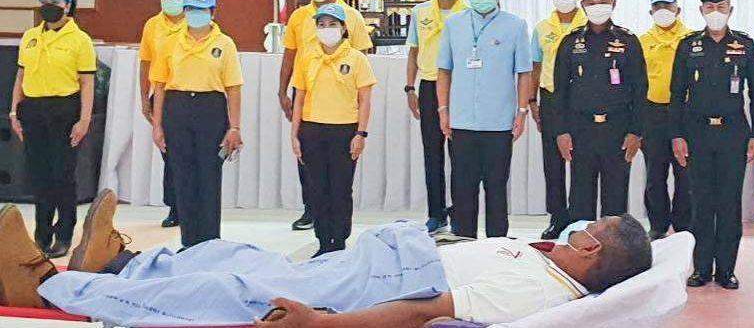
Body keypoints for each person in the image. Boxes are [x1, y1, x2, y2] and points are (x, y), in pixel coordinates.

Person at [0, 191, 654, 327]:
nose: (577, 228)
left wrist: (321, 323)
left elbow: (424, 310)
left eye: (588, 228)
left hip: (382, 284)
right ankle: (115, 264)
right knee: (234, 251)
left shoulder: (542, 292)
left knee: (232, 287)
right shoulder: (546, 261)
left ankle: (51, 285)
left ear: (592, 247)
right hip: (388, 259)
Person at [669, 0, 754, 290]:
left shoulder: (745, 45)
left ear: (730, 10)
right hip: (696, 132)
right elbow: (676, 94)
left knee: (728, 202)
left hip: (733, 132)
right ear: (701, 10)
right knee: (700, 202)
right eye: (710, 8)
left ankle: (726, 269)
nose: (715, 12)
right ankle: (700, 268)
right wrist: (677, 135)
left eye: (721, 7)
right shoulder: (688, 46)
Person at [437, 0, 532, 238]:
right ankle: (464, 243)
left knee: (496, 189)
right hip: (462, 122)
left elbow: (524, 73)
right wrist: (443, 110)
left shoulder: (515, 26)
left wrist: (521, 111)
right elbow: (444, 70)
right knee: (463, 190)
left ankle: (496, 246)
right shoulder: (454, 24)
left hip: (499, 123)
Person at [280, 0, 373, 232]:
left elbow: (362, 61)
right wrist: (282, 90)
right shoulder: (300, 16)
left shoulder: (352, 17)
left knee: (340, 179)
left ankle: (338, 231)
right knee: (311, 166)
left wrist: (360, 125)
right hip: (308, 96)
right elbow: (290, 55)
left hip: (342, 102)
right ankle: (312, 212)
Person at [149, 0, 243, 248]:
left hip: (210, 109)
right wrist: (157, 125)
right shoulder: (170, 42)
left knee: (209, 176)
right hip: (177, 107)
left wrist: (234, 127)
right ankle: (189, 241)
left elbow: (233, 88)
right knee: (183, 177)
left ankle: (210, 241)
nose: (194, 14)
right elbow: (159, 85)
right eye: (190, 9)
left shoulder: (224, 44)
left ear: (212, 12)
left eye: (200, 10)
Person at [8, 0, 95, 258]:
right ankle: (41, 234)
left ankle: (64, 233)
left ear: (67, 6)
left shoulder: (80, 40)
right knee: (40, 175)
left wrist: (84, 120)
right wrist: (14, 111)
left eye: (54, 3)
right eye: (44, 2)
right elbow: (21, 76)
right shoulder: (31, 36)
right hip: (33, 110)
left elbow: (87, 83)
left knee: (63, 175)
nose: (48, 7)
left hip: (64, 110)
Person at [552, 0, 646, 225]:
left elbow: (640, 90)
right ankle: (581, 245)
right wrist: (561, 131)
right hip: (580, 129)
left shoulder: (628, 41)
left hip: (617, 129)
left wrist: (636, 132)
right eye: (592, 3)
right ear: (583, 6)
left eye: (603, 2)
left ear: (614, 4)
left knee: (615, 200)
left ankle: (613, 248)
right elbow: (559, 91)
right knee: (580, 198)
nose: (598, 8)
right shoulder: (571, 42)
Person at [291, 4, 377, 257]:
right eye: (321, 25)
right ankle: (323, 240)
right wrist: (294, 134)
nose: (326, 29)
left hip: (344, 130)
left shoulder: (357, 59)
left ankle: (338, 240)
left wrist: (361, 133)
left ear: (343, 28)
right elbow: (299, 98)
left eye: (332, 24)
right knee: (317, 188)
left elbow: (365, 100)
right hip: (312, 129)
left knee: (340, 187)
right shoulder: (307, 57)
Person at [405, 0, 467, 234]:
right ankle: (436, 213)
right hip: (429, 85)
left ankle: (459, 211)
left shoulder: (468, 12)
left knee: (459, 153)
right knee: (432, 152)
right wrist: (410, 87)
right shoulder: (420, 12)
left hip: (459, 86)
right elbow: (413, 51)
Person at [528, 0, 587, 239]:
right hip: (551, 98)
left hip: (581, 100)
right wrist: (532, 100)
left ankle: (578, 217)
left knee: (581, 160)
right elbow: (535, 66)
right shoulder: (542, 28)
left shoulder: (589, 24)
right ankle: (557, 216)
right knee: (552, 161)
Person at [137, 0, 190, 228]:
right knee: (169, 153)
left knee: (190, 153)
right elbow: (145, 63)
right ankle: (174, 206)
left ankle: (191, 204)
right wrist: (143, 98)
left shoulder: (194, 22)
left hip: (189, 93)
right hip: (162, 94)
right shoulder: (152, 25)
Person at [640, 0, 692, 241]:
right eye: (658, 7)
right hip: (653, 113)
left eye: (668, 6)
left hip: (685, 112)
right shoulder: (642, 41)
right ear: (651, 11)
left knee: (686, 173)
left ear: (677, 9)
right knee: (655, 173)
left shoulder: (691, 39)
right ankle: (658, 225)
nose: (663, 11)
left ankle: (684, 224)